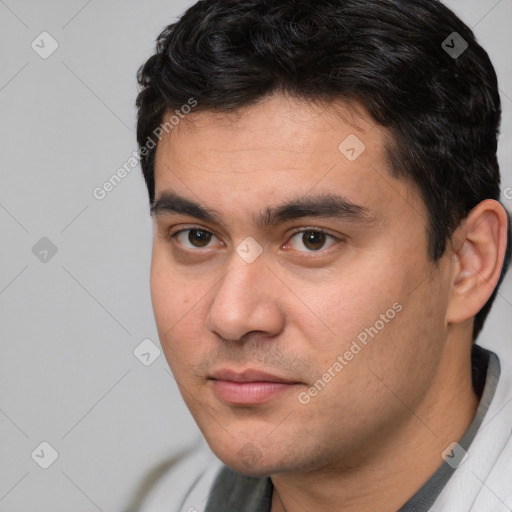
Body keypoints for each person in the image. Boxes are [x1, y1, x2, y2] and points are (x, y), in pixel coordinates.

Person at [133, 0, 512, 510]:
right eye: (197, 237)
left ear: (468, 263)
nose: (231, 315)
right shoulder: (168, 495)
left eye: (313, 239)